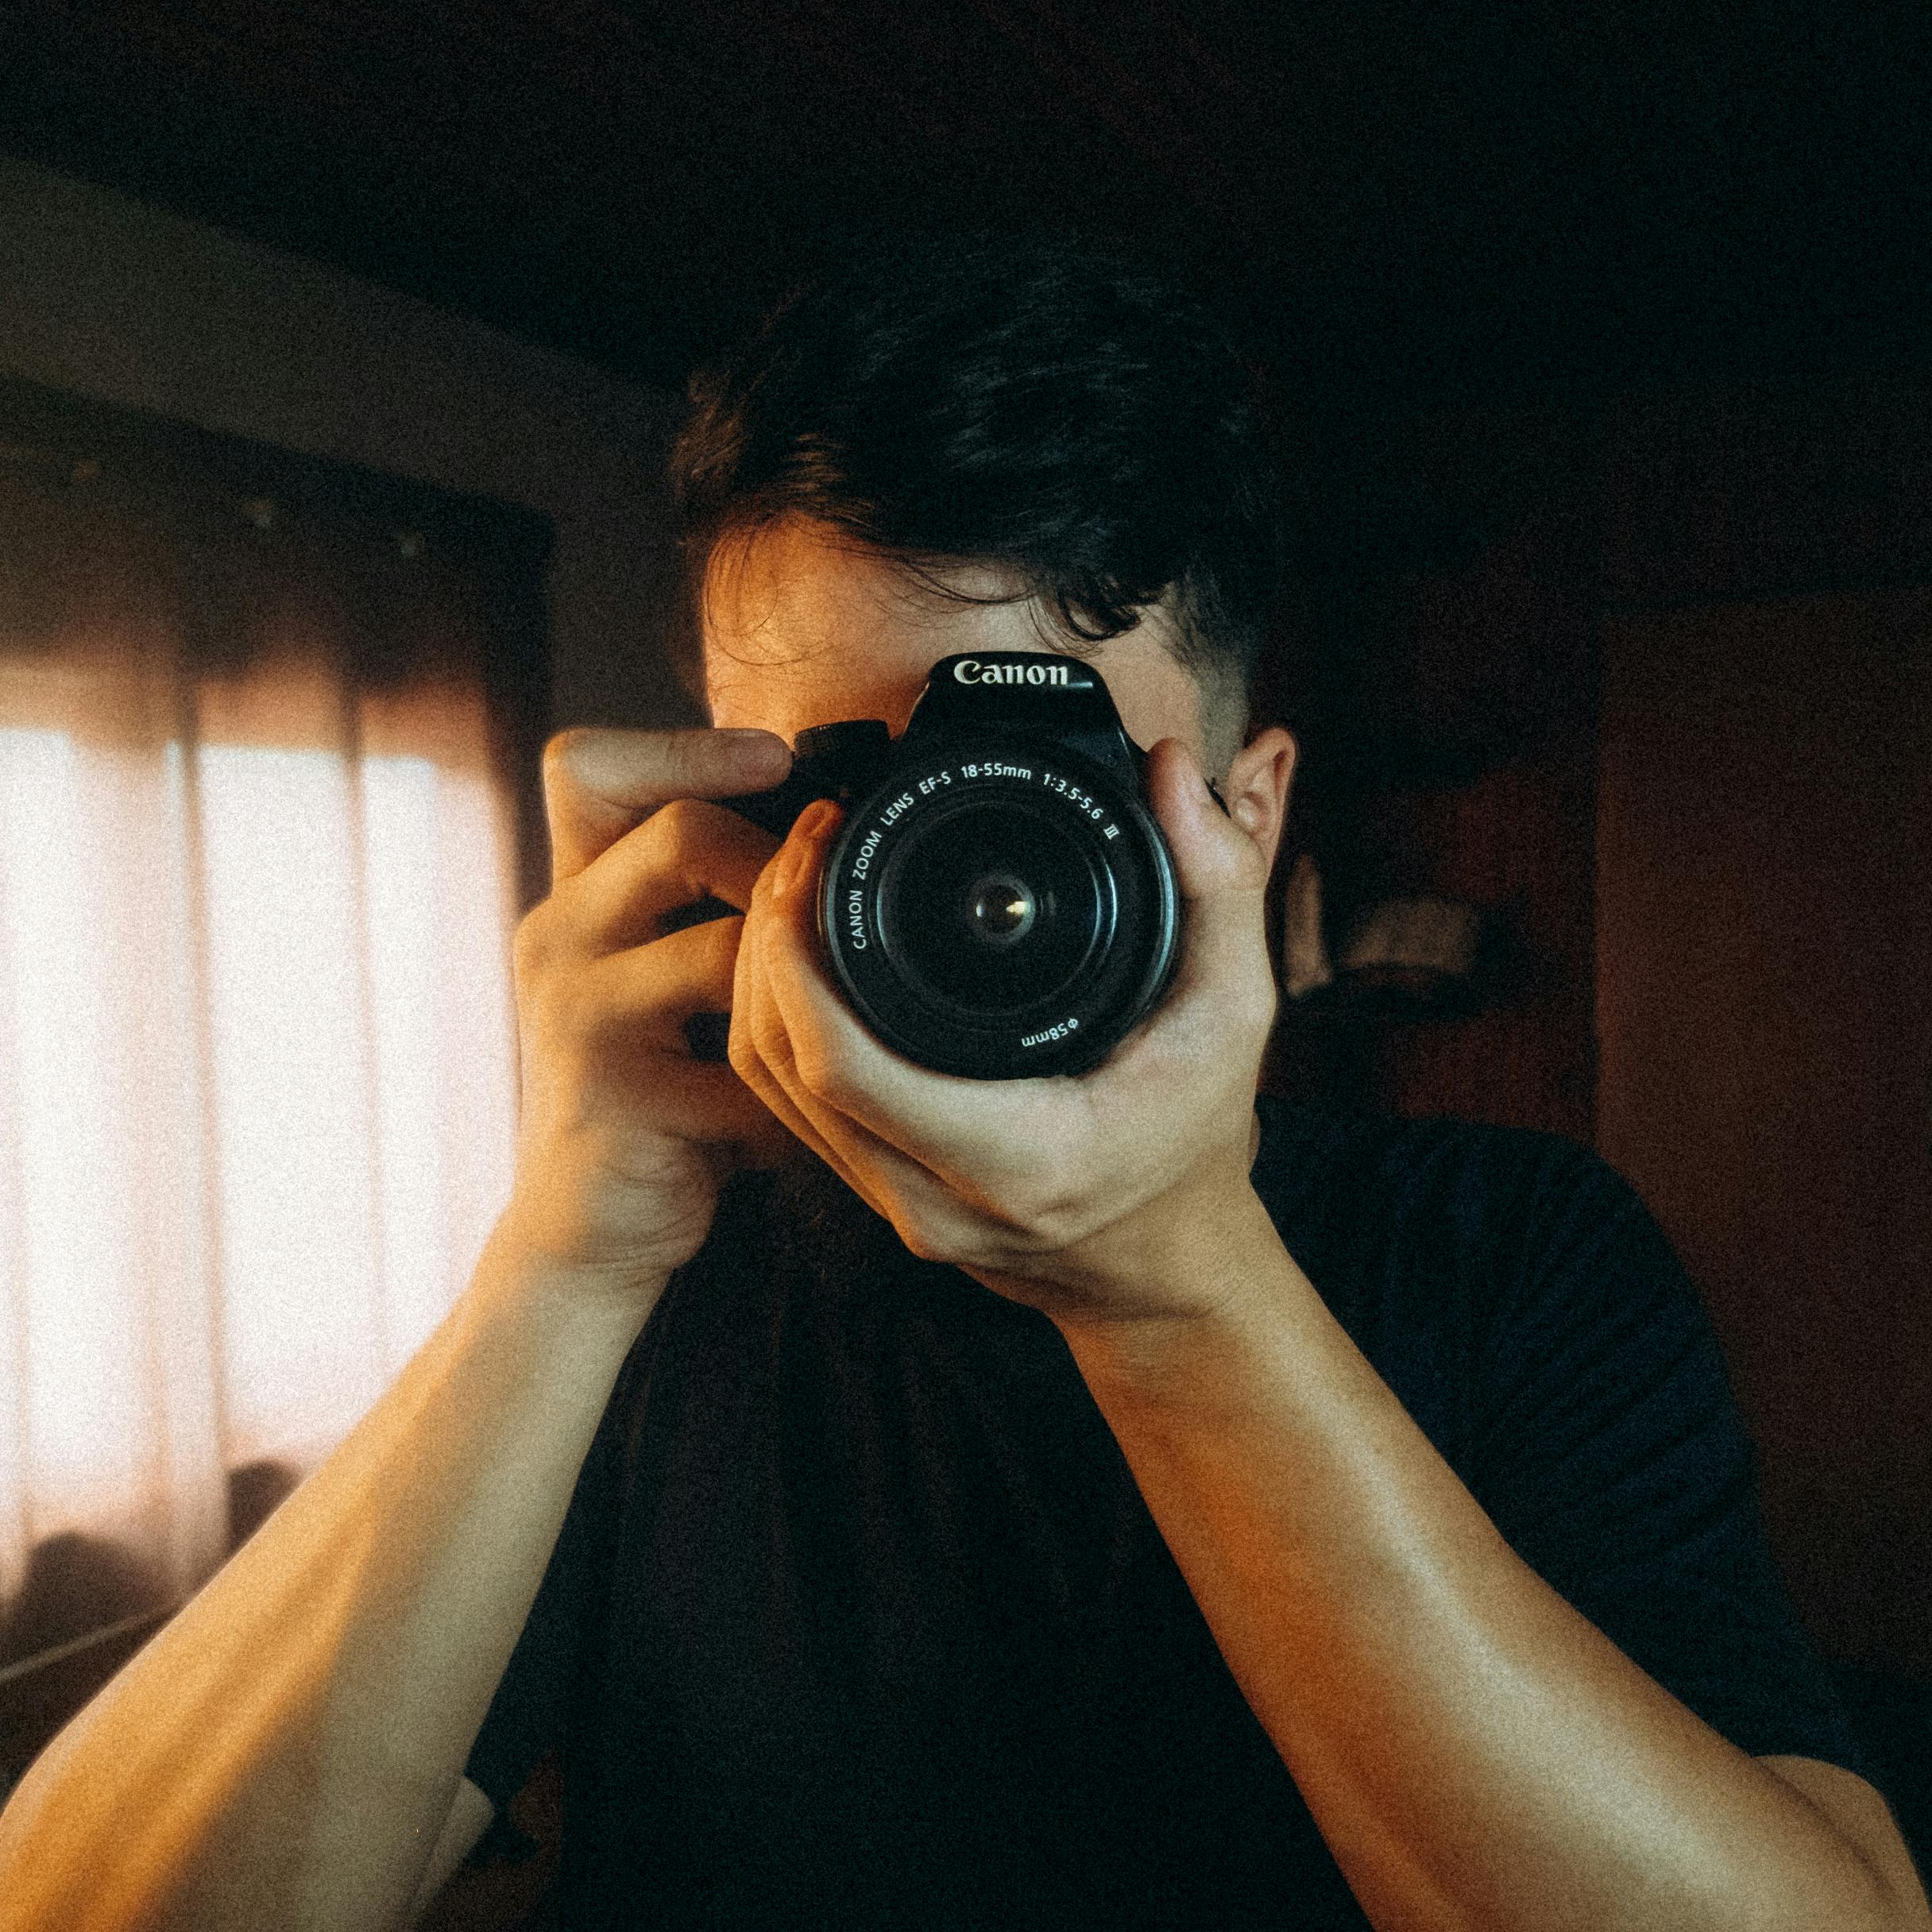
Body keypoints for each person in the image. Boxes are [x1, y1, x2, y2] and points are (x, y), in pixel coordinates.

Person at [0, 234, 1925, 1932]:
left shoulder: (1512, 1253)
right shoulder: (647, 1301)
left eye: (1053, 788)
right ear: (721, 814)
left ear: (1250, 820)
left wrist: (1177, 1282)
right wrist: (561, 1259)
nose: (969, 874)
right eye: (859, 778)